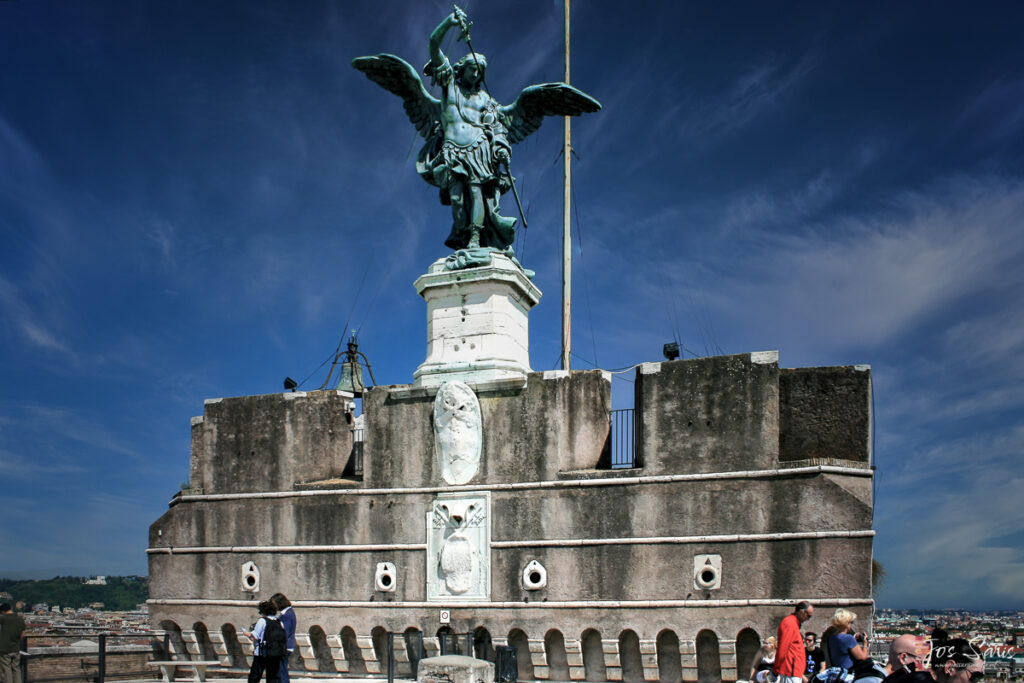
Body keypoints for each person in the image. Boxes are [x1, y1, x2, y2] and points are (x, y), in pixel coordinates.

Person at [421, 6, 517, 251]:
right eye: (472, 68)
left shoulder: (485, 99)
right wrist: (449, 23)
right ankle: (464, 235)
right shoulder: (448, 84)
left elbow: (496, 126)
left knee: (476, 194)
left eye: (480, 71)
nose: (476, 74)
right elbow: (433, 44)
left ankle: (474, 238)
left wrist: (501, 148)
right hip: (452, 151)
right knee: (456, 200)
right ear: (462, 67)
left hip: (478, 150)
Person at [242, 600, 282, 683]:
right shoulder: (278, 621)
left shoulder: (262, 621)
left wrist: (247, 634)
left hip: (261, 653)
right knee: (272, 677)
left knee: (255, 676)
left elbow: (254, 637)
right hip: (275, 653)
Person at [775, 601, 814, 683]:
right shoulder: (790, 623)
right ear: (801, 612)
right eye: (808, 616)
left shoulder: (793, 623)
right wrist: (777, 668)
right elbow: (783, 647)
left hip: (794, 671)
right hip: (790, 670)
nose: (808, 619)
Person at [271, 593, 296, 683]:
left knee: (281, 672)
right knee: (281, 671)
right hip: (285, 646)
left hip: (283, 647)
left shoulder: (287, 614)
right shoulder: (287, 613)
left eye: (275, 604)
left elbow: (284, 632)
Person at [0, 603, 26, 683]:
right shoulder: (20, 619)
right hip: (16, 648)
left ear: (3, 611)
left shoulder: (3, 618)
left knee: (6, 669)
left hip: (4, 648)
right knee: (16, 669)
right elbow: (23, 634)